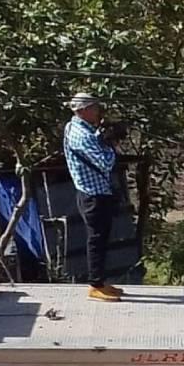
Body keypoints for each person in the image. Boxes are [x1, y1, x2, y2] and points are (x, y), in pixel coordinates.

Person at [63, 93, 122, 301]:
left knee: (101, 238)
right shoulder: (81, 135)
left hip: (95, 192)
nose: (98, 111)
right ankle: (95, 285)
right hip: (93, 195)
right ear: (83, 110)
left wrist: (102, 135)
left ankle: (101, 282)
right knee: (96, 240)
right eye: (94, 108)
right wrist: (109, 144)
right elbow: (105, 163)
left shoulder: (77, 127)